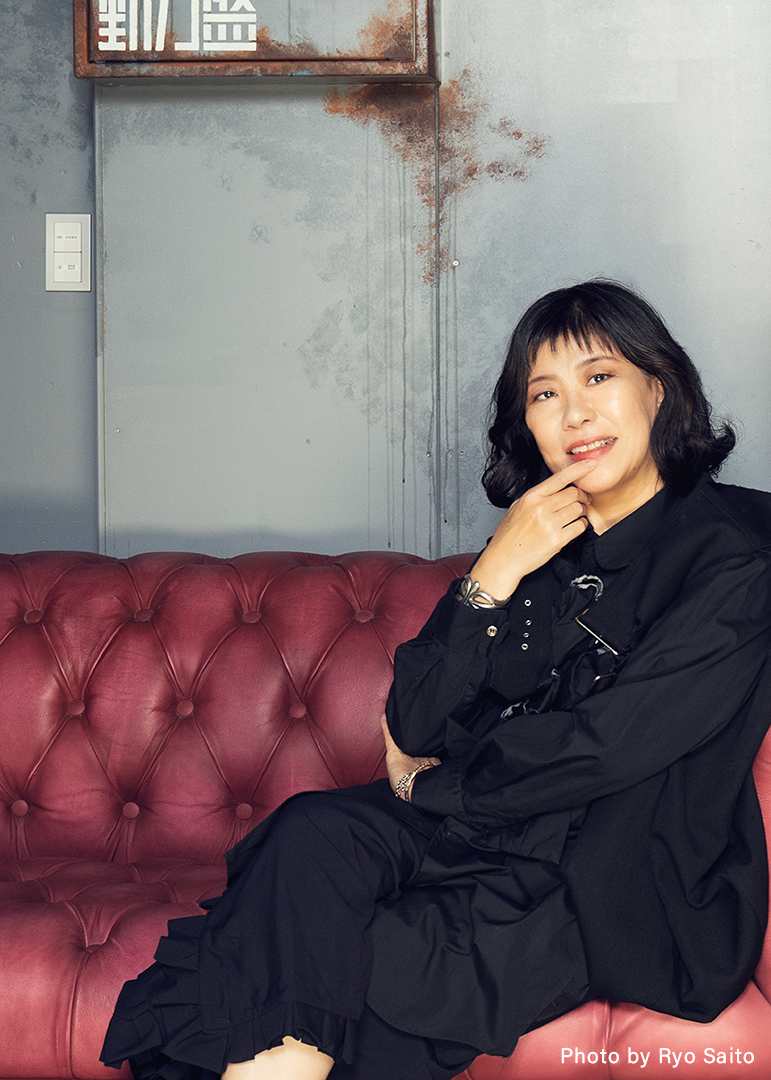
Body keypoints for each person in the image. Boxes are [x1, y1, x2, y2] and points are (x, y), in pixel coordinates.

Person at [101, 280, 771, 1080]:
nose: (574, 415)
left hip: (608, 875)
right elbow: (416, 722)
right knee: (307, 836)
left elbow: (606, 746)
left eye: (599, 377)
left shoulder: (731, 556)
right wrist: (492, 573)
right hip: (482, 834)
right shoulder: (535, 537)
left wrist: (431, 788)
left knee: (316, 947)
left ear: (658, 388)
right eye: (544, 394)